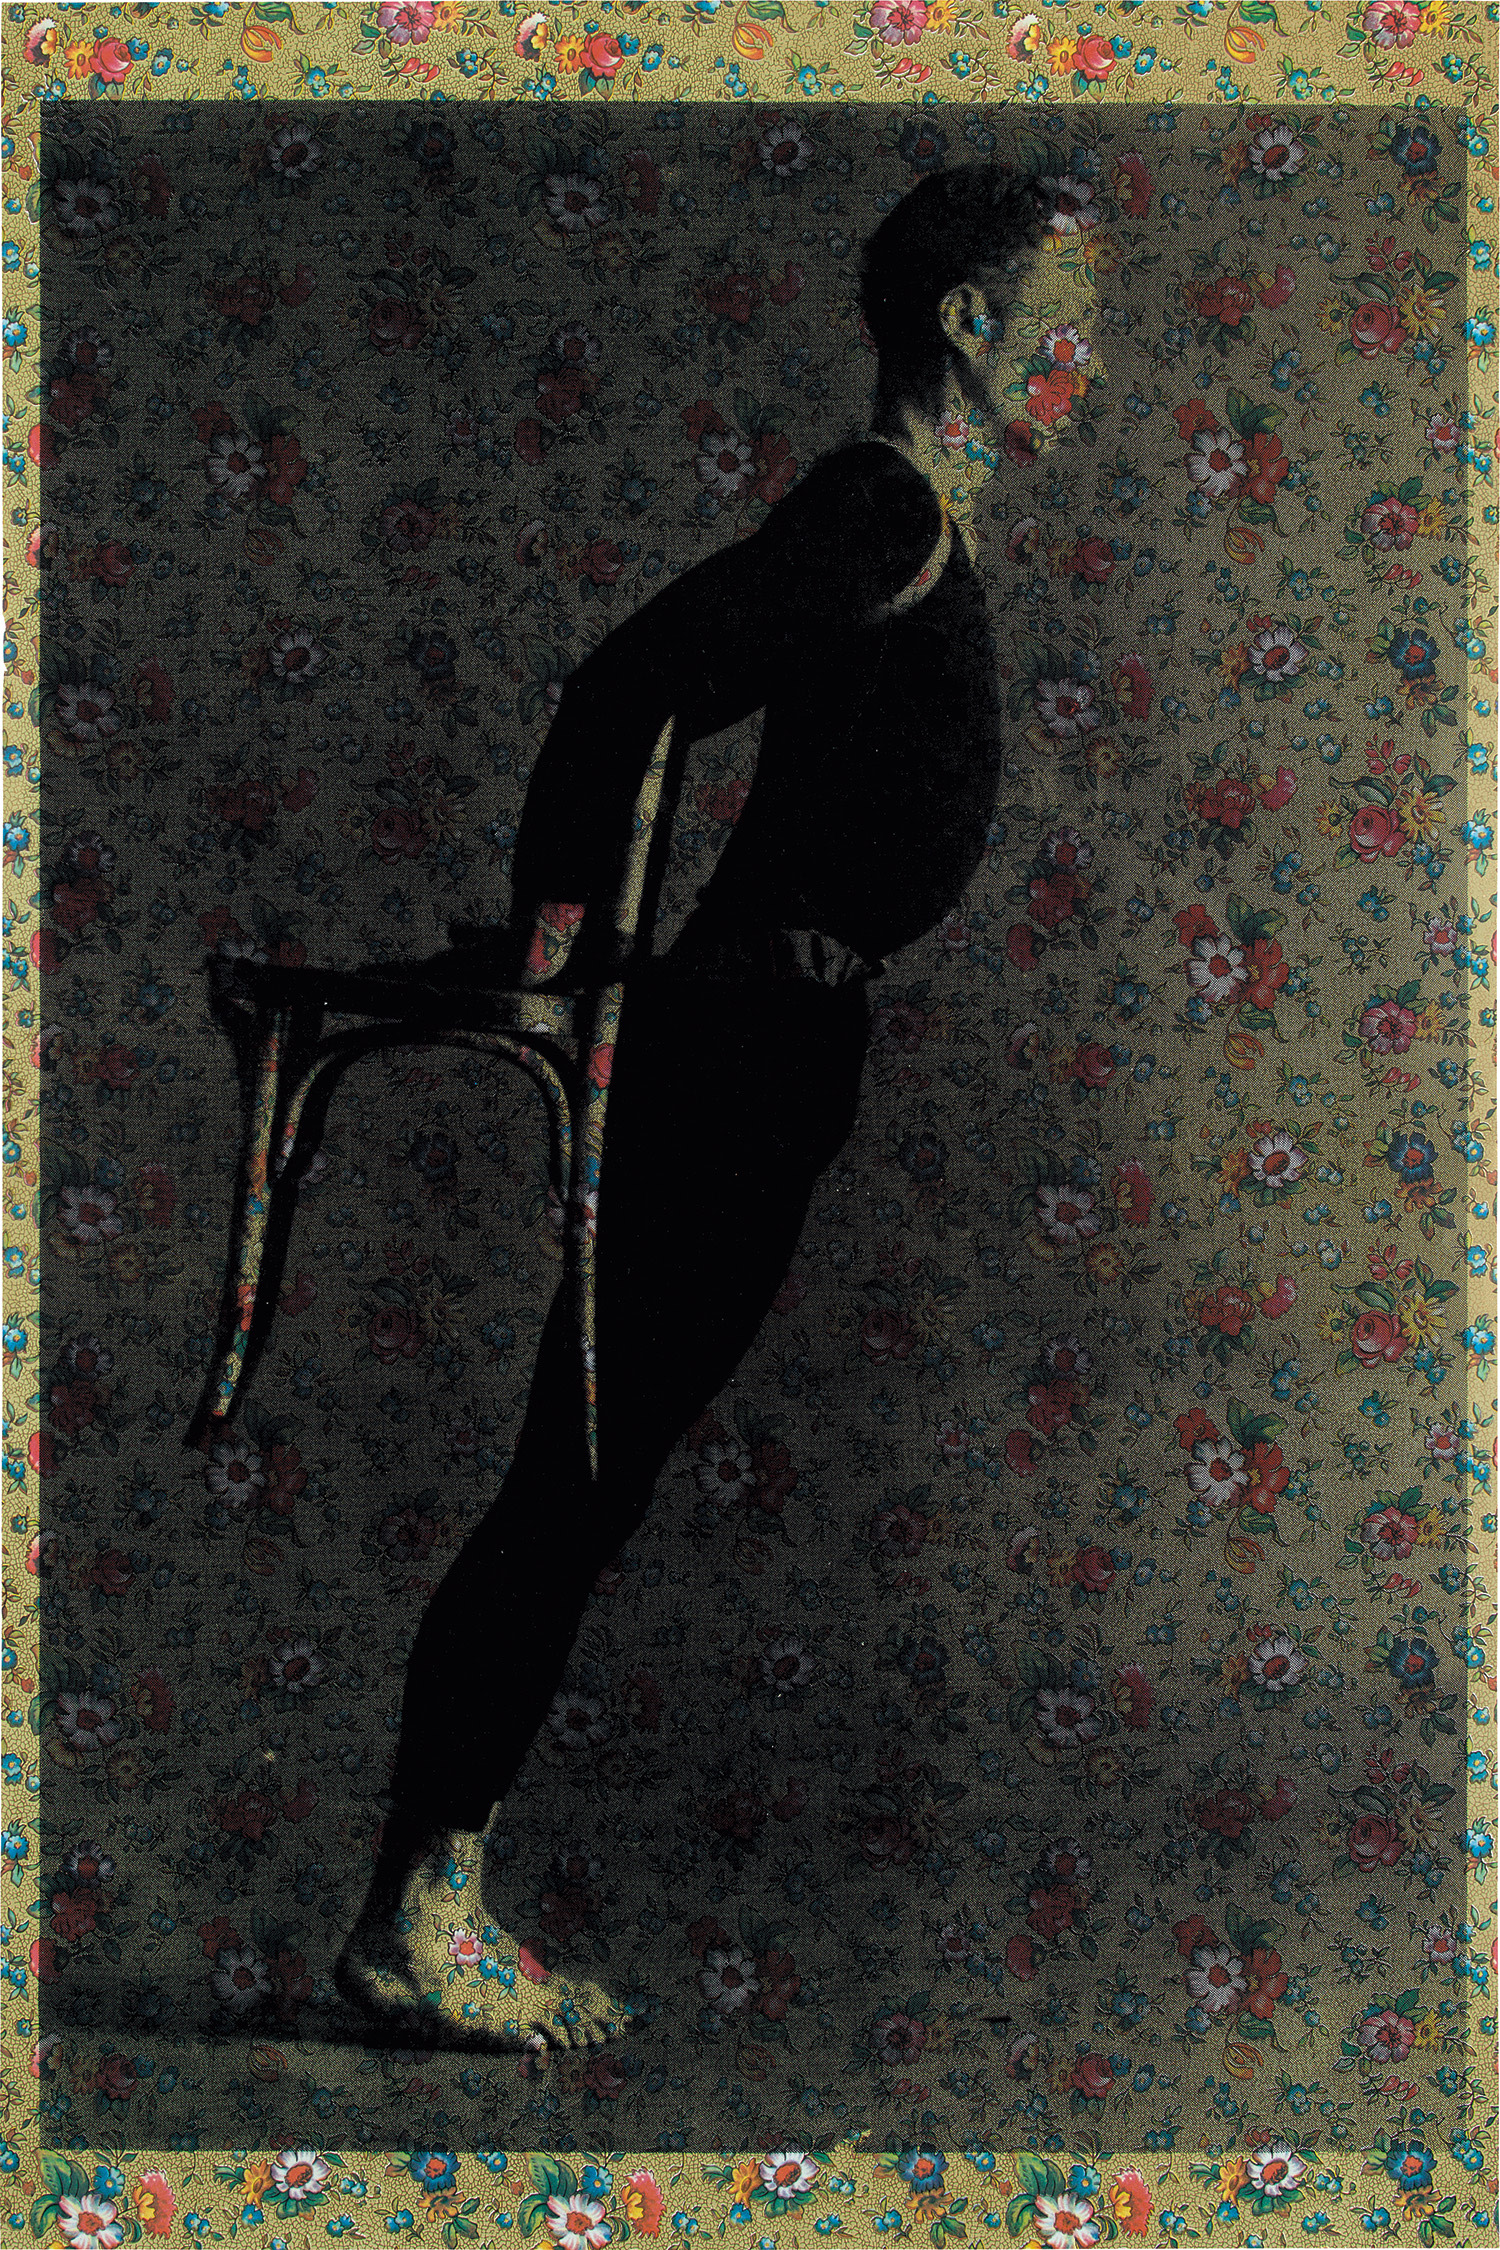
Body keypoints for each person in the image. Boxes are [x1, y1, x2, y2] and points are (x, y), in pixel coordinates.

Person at [333, 164, 1056, 2052]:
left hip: (778, 1046)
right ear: (971, 319)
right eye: (1072, 315)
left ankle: (419, 1902)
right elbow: (632, 681)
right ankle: (421, 1912)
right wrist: (561, 939)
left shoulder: (909, 521)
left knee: (592, 1471)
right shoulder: (883, 505)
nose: (1097, 357)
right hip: (735, 1045)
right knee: (576, 1475)